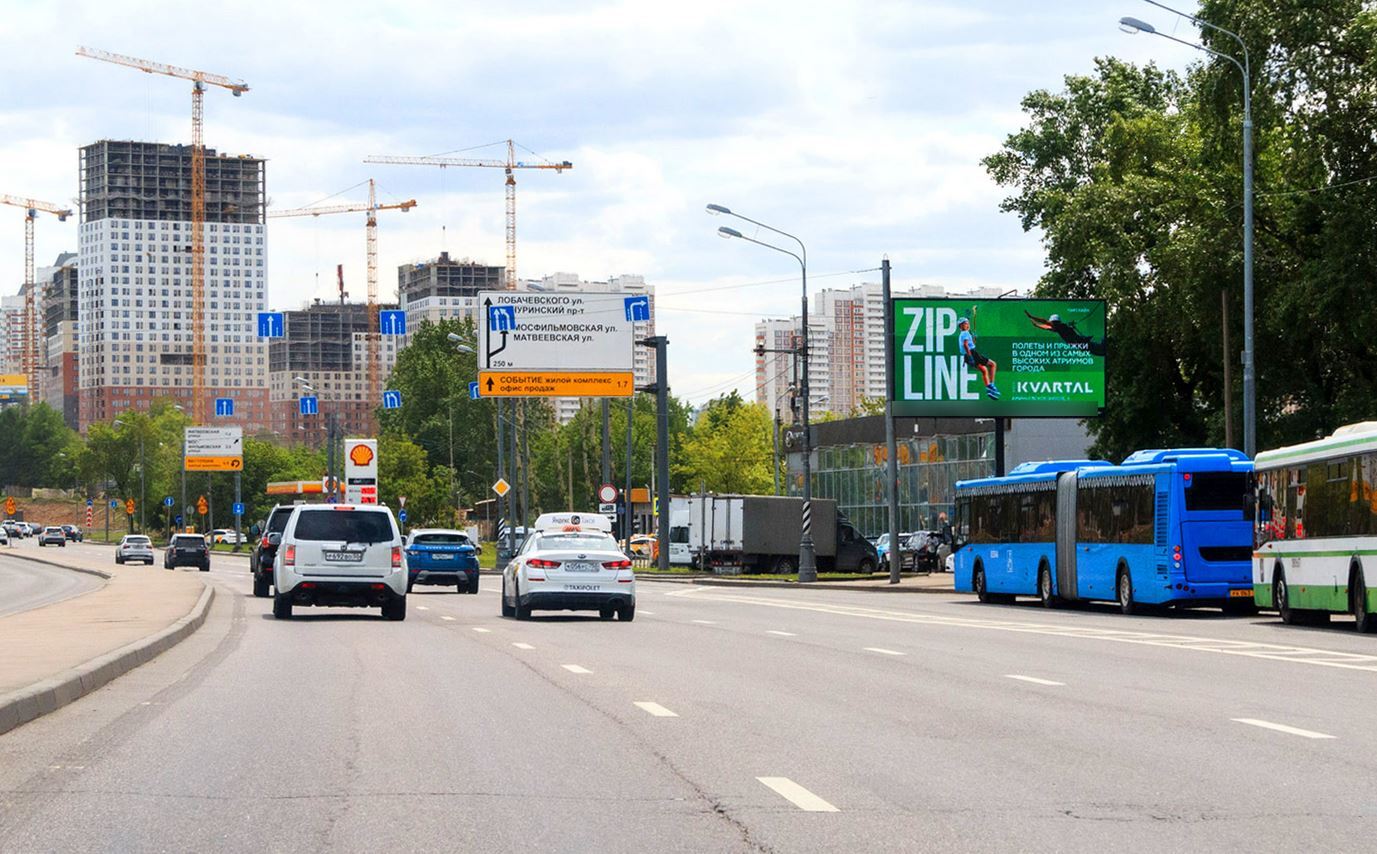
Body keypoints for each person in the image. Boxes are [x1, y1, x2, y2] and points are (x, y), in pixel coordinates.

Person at [1024, 310, 1107, 356]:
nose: (1050, 323)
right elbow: (1046, 327)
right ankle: (1105, 343)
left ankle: (1106, 340)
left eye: (1051, 322)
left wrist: (1032, 317)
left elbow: (1044, 322)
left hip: (1080, 342)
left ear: (1054, 322)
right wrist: (1037, 325)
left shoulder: (1059, 326)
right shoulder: (1058, 328)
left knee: (1099, 349)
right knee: (1097, 350)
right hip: (1079, 343)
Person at [958, 314, 999, 399]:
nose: (968, 324)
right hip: (972, 354)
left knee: (984, 370)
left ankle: (988, 390)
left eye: (968, 323)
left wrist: (974, 339)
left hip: (967, 356)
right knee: (993, 364)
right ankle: (992, 385)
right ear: (961, 325)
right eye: (965, 323)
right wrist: (971, 357)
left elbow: (970, 344)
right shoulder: (965, 333)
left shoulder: (963, 334)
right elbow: (966, 345)